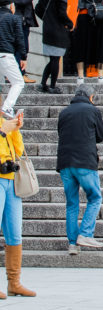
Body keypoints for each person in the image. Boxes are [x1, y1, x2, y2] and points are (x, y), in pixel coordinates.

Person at [56, 79, 103, 253]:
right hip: (85, 162)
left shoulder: (64, 113)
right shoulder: (92, 110)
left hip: (65, 163)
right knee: (95, 197)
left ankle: (72, 243)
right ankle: (85, 233)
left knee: (71, 203)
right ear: (90, 96)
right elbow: (100, 136)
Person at [0, 105, 34, 296]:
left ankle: (14, 282)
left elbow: (18, 151)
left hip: (11, 180)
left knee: (15, 232)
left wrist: (15, 130)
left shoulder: (5, 123)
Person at [35, 0, 73, 94]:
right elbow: (62, 14)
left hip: (47, 30)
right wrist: (70, 23)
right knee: (56, 59)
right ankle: (52, 86)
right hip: (58, 32)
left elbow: (38, 9)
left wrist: (47, 20)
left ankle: (43, 84)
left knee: (52, 59)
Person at [7, 0, 42, 74]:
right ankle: (18, 74)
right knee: (20, 47)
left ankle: (21, 73)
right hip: (19, 21)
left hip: (23, 21)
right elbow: (21, 1)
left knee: (23, 47)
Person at [0, 0, 26, 115]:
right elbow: (20, 39)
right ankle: (7, 107)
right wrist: (23, 57)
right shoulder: (14, 18)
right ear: (11, 6)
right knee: (18, 82)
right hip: (5, 55)